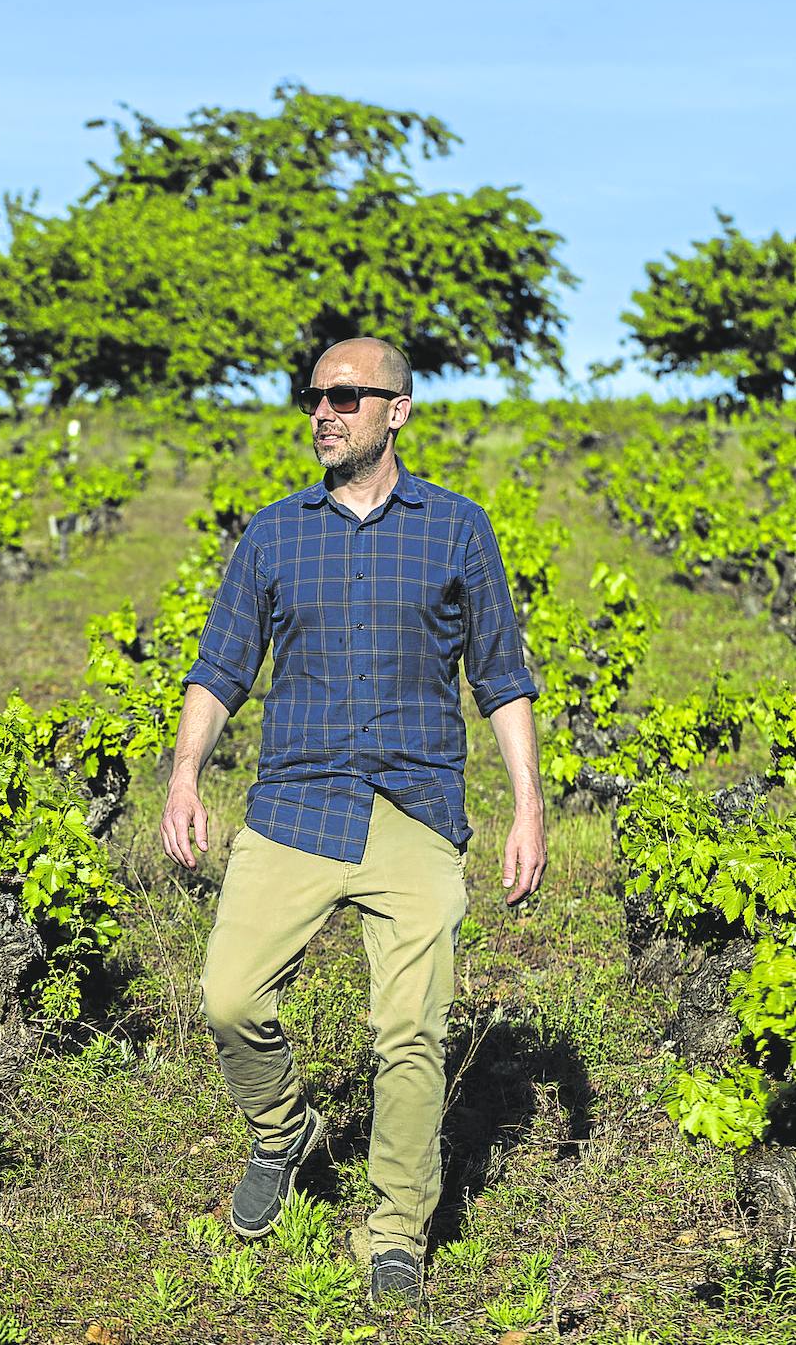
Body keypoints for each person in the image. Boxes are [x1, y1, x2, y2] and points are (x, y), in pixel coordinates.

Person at [160, 336, 547, 1309]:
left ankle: (395, 1233)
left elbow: (499, 674)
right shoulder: (273, 536)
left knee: (408, 1035)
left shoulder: (457, 529)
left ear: (397, 411)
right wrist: (183, 772)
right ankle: (282, 1125)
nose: (322, 412)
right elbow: (220, 666)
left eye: (344, 396)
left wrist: (528, 804)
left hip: (415, 809)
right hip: (294, 803)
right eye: (312, 398)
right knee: (228, 998)